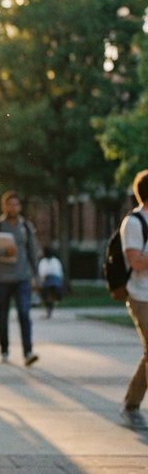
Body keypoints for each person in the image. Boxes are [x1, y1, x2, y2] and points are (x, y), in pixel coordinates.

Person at [0, 190, 40, 367]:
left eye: (16, 204)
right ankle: (4, 350)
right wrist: (2, 252)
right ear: (4, 206)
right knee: (3, 316)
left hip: (22, 278)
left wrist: (36, 276)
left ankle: (28, 352)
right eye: (10, 204)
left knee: (24, 313)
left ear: (20, 207)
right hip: (2, 279)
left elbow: (32, 252)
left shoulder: (26, 227)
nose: (13, 207)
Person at [119, 169, 148, 430]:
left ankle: (131, 404)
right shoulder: (135, 223)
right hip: (142, 296)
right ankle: (131, 406)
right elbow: (136, 262)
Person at [37, 245, 63, 319]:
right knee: (50, 295)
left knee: (44, 293)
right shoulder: (56, 261)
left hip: (48, 282)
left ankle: (48, 310)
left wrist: (41, 284)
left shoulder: (43, 262)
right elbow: (60, 273)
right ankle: (51, 307)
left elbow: (42, 275)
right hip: (56, 281)